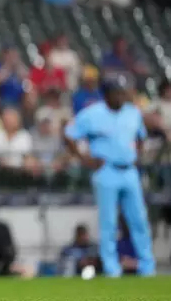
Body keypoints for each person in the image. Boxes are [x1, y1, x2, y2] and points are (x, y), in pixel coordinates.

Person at [64, 76, 155, 277]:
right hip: (106, 171)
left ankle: (147, 267)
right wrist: (84, 159)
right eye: (116, 92)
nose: (121, 96)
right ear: (106, 95)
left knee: (139, 219)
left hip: (129, 171)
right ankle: (112, 268)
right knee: (109, 222)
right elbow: (69, 134)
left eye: (122, 92)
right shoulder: (92, 114)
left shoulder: (132, 113)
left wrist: (137, 156)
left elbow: (141, 137)